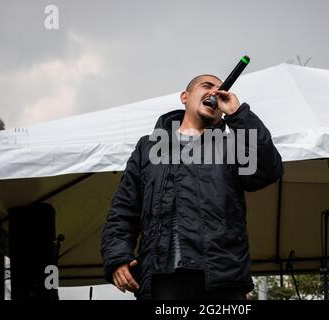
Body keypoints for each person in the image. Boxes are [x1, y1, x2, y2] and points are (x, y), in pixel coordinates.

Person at [100, 74, 283, 300]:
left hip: (221, 278)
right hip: (161, 279)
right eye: (206, 86)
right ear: (184, 97)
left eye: (220, 89)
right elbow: (123, 209)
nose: (215, 92)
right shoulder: (149, 147)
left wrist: (238, 113)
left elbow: (268, 170)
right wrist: (117, 257)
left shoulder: (232, 146)